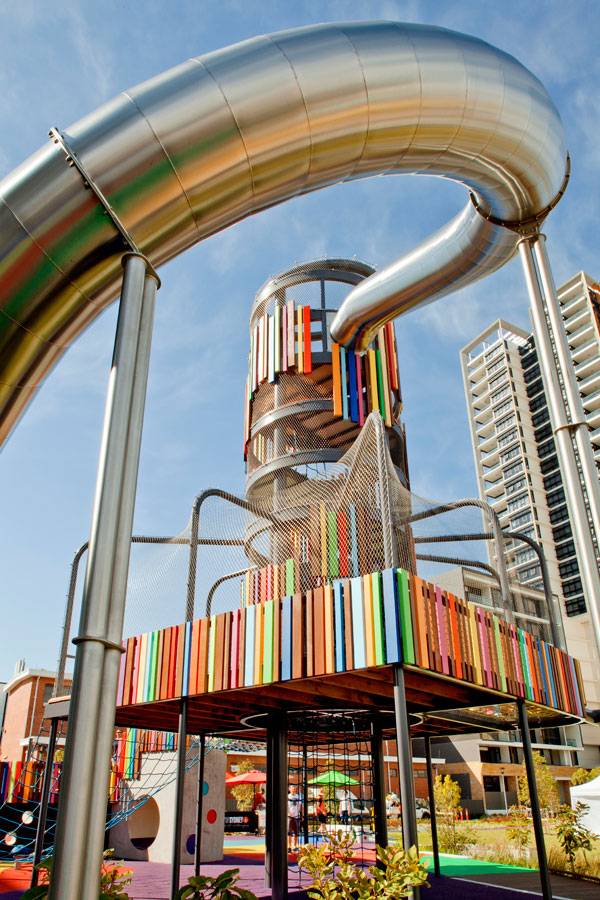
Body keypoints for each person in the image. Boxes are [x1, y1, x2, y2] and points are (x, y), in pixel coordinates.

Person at [288, 784, 303, 851]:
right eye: (292, 788)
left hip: (296, 816)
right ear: (290, 789)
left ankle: (295, 846)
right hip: (290, 817)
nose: (294, 790)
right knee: (289, 832)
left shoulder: (298, 796)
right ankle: (289, 847)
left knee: (296, 832)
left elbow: (301, 806)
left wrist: (302, 815)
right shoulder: (288, 796)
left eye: (295, 789)